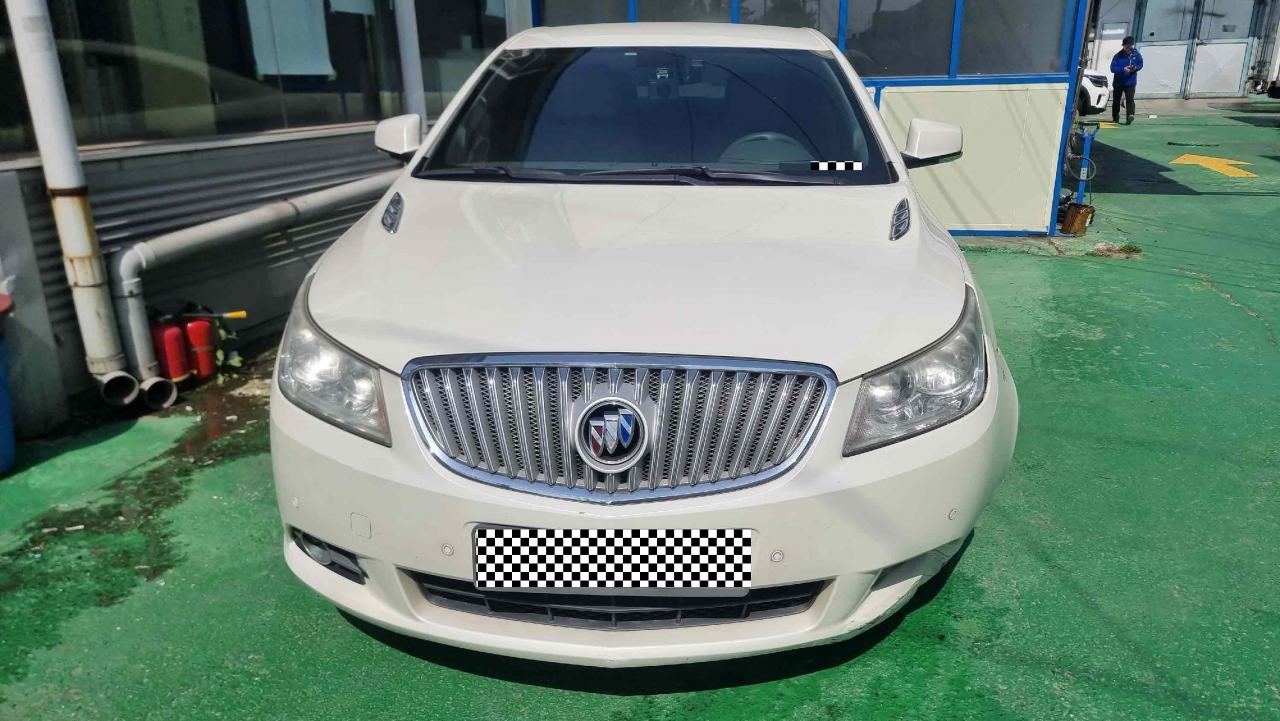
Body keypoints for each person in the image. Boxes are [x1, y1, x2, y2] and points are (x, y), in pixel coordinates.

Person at [1110, 36, 1143, 124]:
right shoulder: (1118, 56)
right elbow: (1112, 68)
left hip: (1130, 82)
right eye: (1126, 47)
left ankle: (1130, 116)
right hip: (1118, 82)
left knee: (1130, 99)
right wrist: (1123, 69)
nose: (1128, 49)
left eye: (1130, 46)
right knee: (1116, 100)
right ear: (1123, 45)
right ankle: (1115, 118)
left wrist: (1135, 68)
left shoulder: (1136, 55)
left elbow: (1140, 64)